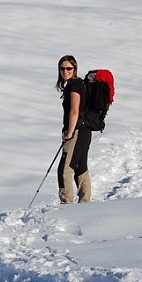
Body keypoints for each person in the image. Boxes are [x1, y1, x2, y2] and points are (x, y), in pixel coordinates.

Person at [56, 55, 91, 203]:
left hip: (77, 132)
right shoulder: (77, 84)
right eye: (62, 68)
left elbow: (74, 110)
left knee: (65, 169)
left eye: (69, 68)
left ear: (75, 69)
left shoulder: (75, 85)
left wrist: (69, 133)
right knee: (80, 167)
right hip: (84, 131)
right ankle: (85, 202)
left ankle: (67, 204)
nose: (65, 71)